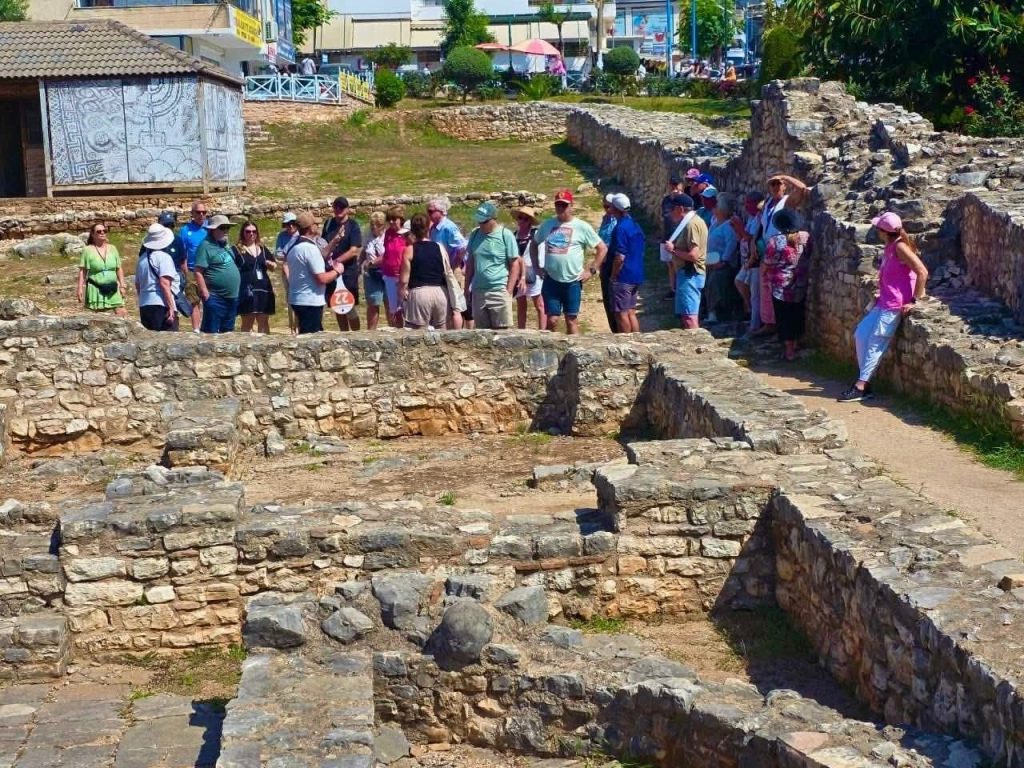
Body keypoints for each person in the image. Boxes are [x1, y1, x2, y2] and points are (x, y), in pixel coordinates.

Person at [839, 212, 928, 402]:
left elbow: (921, 271)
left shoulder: (900, 247)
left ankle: (861, 386)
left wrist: (913, 301)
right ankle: (865, 383)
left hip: (894, 304)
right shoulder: (890, 247)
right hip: (884, 301)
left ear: (883, 231)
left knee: (875, 343)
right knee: (861, 335)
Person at [532, 189, 606, 335]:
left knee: (571, 319)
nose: (561, 208)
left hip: (572, 280)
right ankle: (551, 349)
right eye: (558, 205)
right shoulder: (547, 225)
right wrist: (536, 266)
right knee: (552, 319)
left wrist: (591, 270)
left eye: (564, 205)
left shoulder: (581, 226)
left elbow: (602, 248)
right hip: (551, 279)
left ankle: (575, 351)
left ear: (571, 206)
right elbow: (534, 244)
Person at [756, 174, 810, 336]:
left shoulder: (786, 202)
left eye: (778, 184)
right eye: (772, 184)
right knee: (765, 289)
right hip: (768, 247)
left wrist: (786, 177)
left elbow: (802, 189)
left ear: (784, 186)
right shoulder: (767, 204)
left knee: (779, 290)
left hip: (782, 248)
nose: (775, 187)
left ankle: (779, 329)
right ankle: (769, 324)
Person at [762, 208, 811, 361]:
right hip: (800, 283)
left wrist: (764, 273)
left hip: (781, 286)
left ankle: (789, 350)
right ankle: (796, 344)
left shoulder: (774, 241)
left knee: (784, 317)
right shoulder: (805, 237)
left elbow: (768, 262)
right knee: (797, 313)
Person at [464, 201, 521, 330]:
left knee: (503, 333)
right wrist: (466, 287)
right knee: (481, 333)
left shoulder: (505, 235)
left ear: (493, 219)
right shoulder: (475, 235)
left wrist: (509, 291)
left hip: (499, 290)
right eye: (479, 221)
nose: (480, 225)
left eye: (484, 222)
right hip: (478, 291)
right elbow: (470, 263)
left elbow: (514, 264)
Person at [287, 212, 344, 334]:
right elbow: (322, 278)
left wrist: (334, 240)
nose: (317, 226)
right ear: (310, 228)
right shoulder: (310, 249)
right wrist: (337, 271)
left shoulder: (295, 247)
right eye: (315, 224)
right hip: (309, 301)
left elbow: (321, 255)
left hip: (299, 299)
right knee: (311, 337)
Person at [663, 193, 708, 329]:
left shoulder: (691, 225)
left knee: (689, 316)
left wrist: (673, 250)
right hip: (688, 273)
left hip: (690, 273)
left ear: (681, 209)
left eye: (672, 209)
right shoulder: (692, 222)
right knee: (686, 314)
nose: (670, 213)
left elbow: (694, 255)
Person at [401, 214, 449, 330]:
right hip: (440, 292)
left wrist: (402, 290)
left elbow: (404, 279)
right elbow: (447, 270)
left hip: (420, 293)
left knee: (418, 333)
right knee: (441, 330)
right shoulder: (440, 247)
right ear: (428, 228)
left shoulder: (410, 250)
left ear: (412, 230)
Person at [321, 196, 363, 331]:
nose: (338, 209)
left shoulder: (353, 226)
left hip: (348, 272)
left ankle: (356, 335)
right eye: (336, 207)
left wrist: (337, 261)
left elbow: (354, 250)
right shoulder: (328, 224)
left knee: (350, 308)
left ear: (347, 209)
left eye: (341, 207)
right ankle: (343, 334)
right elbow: (323, 245)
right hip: (332, 272)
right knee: (337, 307)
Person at [194, 215, 240, 334]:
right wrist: (205, 294)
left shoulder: (225, 244)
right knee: (211, 332)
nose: (226, 231)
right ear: (212, 230)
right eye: (222, 228)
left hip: (232, 297)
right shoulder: (205, 246)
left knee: (228, 331)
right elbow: (198, 271)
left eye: (227, 228)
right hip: (216, 297)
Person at [427, 197, 468, 329]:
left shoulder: (449, 227)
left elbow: (462, 246)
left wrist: (455, 263)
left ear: (441, 211)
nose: (429, 214)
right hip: (440, 270)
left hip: (451, 269)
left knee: (456, 304)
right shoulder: (434, 228)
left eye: (431, 211)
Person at [148, 212, 194, 330]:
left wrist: (186, 277)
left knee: (176, 306)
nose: (169, 229)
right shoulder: (150, 243)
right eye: (166, 226)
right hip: (158, 278)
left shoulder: (177, 240)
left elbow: (183, 260)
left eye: (171, 226)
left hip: (175, 277)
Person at [607, 193, 645, 333]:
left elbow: (620, 256)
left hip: (623, 276)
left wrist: (613, 275)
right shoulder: (635, 225)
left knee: (621, 313)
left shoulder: (620, 228)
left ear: (615, 208)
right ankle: (637, 342)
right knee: (630, 311)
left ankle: (627, 344)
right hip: (637, 274)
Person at [233, 221, 276, 335]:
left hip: (263, 288)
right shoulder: (237, 249)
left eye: (254, 231)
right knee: (247, 321)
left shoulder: (262, 248)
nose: (251, 234)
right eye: (248, 231)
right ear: (243, 233)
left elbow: (274, 265)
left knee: (263, 321)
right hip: (247, 289)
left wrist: (271, 265)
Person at [135, 223, 178, 332]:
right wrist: (171, 307)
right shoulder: (164, 258)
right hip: (161, 303)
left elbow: (138, 284)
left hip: (145, 303)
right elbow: (164, 284)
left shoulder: (141, 260)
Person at [704, 193, 740, 325]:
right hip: (712, 261)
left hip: (724, 264)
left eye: (716, 206)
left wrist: (723, 261)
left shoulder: (728, 225)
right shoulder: (715, 223)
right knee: (707, 282)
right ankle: (709, 310)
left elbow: (731, 244)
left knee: (714, 282)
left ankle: (714, 312)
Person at [77, 222, 127, 317]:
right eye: (99, 231)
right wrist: (80, 288)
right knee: (99, 317)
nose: (102, 233)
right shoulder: (87, 250)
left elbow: (118, 268)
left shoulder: (113, 248)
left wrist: (122, 286)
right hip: (96, 287)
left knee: (122, 312)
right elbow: (83, 271)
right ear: (93, 234)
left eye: (104, 231)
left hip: (113, 287)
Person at [733, 192, 764, 336]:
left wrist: (739, 228)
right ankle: (750, 310)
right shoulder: (752, 218)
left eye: (749, 203)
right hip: (747, 259)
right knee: (740, 281)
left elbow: (752, 238)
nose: (746, 207)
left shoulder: (760, 219)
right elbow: (744, 238)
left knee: (755, 293)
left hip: (756, 260)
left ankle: (754, 325)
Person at [513, 206, 545, 330]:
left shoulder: (536, 235)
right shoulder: (514, 236)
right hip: (518, 273)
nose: (521, 221)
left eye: (525, 219)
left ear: (530, 222)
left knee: (539, 304)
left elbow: (541, 252)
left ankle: (543, 331)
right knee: (521, 304)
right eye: (520, 218)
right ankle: (522, 330)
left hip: (534, 272)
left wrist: (539, 269)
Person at [178, 200, 208, 333]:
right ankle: (196, 329)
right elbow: (182, 252)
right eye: (198, 212)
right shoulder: (185, 231)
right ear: (192, 214)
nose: (201, 215)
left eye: (204, 212)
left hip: (208, 270)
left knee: (209, 299)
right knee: (194, 301)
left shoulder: (210, 228)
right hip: (191, 269)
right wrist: (185, 272)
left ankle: (209, 328)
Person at [660, 175, 687, 299]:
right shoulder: (666, 200)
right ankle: (673, 288)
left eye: (676, 185)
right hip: (667, 235)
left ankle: (680, 288)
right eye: (672, 185)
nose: (674, 188)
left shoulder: (685, 200)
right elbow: (665, 216)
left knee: (678, 263)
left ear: (681, 185)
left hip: (679, 236)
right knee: (669, 264)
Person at [380, 205, 407, 328]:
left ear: (400, 219)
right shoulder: (388, 233)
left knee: (406, 306)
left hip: (404, 275)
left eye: (394, 219)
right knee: (394, 309)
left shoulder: (407, 234)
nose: (391, 222)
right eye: (389, 219)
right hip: (390, 275)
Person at [361, 211, 388, 331]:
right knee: (373, 303)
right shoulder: (368, 236)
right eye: (372, 225)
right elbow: (364, 250)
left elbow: (388, 254)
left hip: (386, 272)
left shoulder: (388, 236)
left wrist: (373, 261)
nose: (374, 227)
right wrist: (360, 263)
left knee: (389, 302)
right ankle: (371, 331)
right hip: (371, 273)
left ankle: (395, 328)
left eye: (377, 225)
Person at [597, 193, 619, 332]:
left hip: (613, 262)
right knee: (607, 298)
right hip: (604, 263)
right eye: (604, 206)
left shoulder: (617, 222)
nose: (606, 209)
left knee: (615, 300)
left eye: (608, 207)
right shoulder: (605, 219)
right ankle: (614, 329)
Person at [275, 213, 300, 334]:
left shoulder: (301, 235)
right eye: (287, 224)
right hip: (286, 270)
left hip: (299, 270)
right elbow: (278, 253)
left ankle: (299, 325)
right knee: (290, 299)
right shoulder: (282, 236)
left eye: (292, 223)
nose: (290, 226)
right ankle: (292, 327)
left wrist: (286, 255)